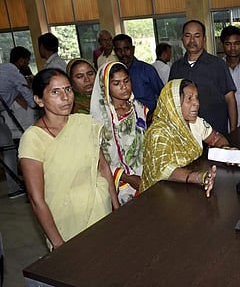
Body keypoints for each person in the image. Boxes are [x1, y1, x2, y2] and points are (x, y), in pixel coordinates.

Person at [18, 68, 119, 250]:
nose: (65, 97)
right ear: (39, 100)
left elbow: (103, 167)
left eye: (68, 89)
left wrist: (116, 207)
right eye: (55, 92)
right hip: (66, 222)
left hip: (101, 213)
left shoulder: (85, 123)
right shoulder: (33, 139)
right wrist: (58, 244)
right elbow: (36, 198)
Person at [141, 79, 230, 198]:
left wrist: (227, 151)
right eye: (189, 98)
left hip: (186, 190)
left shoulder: (195, 122)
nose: (196, 103)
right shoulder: (159, 132)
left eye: (197, 98)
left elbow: (216, 138)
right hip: (160, 195)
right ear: (174, 102)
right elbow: (164, 169)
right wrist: (199, 177)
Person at [90, 61, 147, 205]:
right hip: (119, 182)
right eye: (116, 83)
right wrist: (128, 178)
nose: (124, 87)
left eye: (126, 81)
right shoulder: (100, 120)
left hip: (145, 175)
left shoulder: (138, 109)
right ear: (106, 87)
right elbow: (99, 159)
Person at [169, 20, 237, 135]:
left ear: (204, 39)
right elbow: (171, 101)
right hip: (186, 136)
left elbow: (230, 99)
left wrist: (234, 132)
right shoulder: (176, 67)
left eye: (197, 36)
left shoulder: (218, 65)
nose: (192, 41)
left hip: (215, 134)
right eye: (188, 36)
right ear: (182, 38)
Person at [113, 34, 164, 116]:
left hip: (149, 120)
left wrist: (154, 115)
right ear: (115, 52)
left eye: (126, 49)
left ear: (133, 49)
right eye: (119, 50)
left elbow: (163, 94)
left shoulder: (147, 70)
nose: (123, 53)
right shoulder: (113, 74)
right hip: (123, 120)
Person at [0, 46, 36, 139]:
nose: (28, 64)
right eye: (27, 61)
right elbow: (29, 99)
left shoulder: (2, 68)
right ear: (21, 61)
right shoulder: (16, 75)